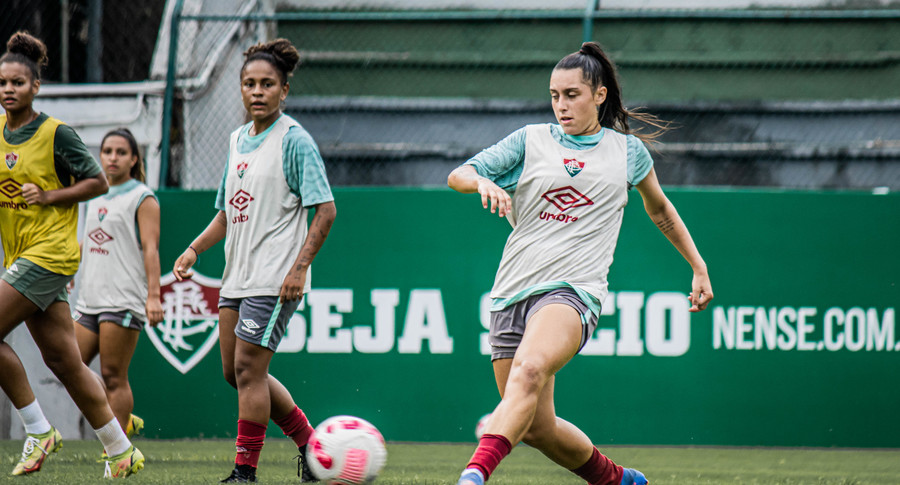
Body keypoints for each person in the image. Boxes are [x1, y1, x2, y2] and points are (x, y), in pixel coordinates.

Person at [447, 42, 713, 485]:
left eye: (572, 94)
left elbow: (661, 210)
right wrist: (480, 184)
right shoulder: (530, 140)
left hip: (573, 293)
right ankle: (617, 479)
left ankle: (474, 475)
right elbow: (459, 174)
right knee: (537, 428)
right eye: (555, 95)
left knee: (529, 370)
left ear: (599, 95)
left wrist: (698, 266)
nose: (561, 105)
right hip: (511, 292)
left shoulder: (627, 153)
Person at [172, 38, 337, 483]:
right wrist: (194, 249)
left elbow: (325, 210)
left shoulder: (295, 141)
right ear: (241, 89)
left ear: (284, 90)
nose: (258, 91)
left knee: (248, 369)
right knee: (236, 372)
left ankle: (244, 471)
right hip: (236, 278)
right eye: (249, 84)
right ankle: (312, 446)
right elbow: (227, 212)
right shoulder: (236, 140)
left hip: (274, 279)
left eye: (267, 84)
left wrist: (298, 269)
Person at [0, 31, 144, 478]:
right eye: (2, 82)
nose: (8, 89)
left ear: (35, 86)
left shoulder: (56, 133)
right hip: (20, 255)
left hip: (50, 254)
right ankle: (120, 449)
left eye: (17, 83)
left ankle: (38, 430)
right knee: (64, 360)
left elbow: (97, 182)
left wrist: (49, 196)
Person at [72, 127, 164, 448]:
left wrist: (154, 297)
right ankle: (122, 419)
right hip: (89, 298)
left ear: (134, 159)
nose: (113, 158)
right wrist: (69, 266)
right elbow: (88, 238)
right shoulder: (94, 191)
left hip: (122, 298)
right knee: (68, 366)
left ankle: (119, 451)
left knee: (113, 376)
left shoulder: (142, 197)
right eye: (107, 151)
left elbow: (150, 249)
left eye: (121, 152)